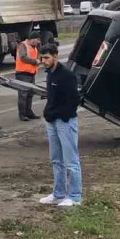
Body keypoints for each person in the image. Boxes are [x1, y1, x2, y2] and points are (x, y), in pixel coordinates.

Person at [38, 43, 83, 207]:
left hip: (65, 122)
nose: (44, 61)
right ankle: (58, 193)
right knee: (56, 160)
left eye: (47, 58)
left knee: (71, 160)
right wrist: (48, 113)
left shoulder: (66, 75)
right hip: (52, 122)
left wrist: (61, 115)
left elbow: (74, 100)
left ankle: (75, 196)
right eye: (42, 58)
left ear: (55, 56)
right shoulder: (50, 73)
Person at [15, 33, 41, 121]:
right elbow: (23, 57)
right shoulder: (23, 45)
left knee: (30, 94)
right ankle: (22, 115)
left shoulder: (34, 47)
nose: (38, 42)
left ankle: (29, 113)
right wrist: (35, 61)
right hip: (23, 73)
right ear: (32, 39)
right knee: (23, 95)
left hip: (31, 73)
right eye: (37, 40)